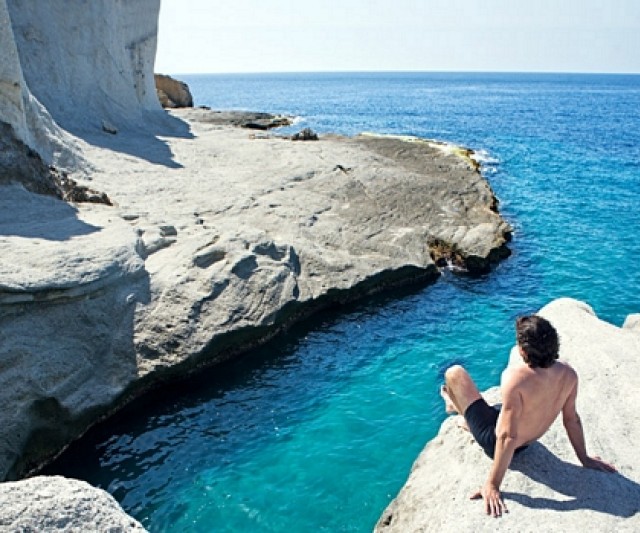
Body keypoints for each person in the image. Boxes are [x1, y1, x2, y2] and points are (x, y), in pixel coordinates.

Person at [441, 315, 616, 518]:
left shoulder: (515, 379)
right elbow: (571, 420)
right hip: (528, 441)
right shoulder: (569, 374)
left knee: (454, 373)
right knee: (497, 408)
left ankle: (458, 410)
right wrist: (584, 458)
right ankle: (462, 413)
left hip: (495, 442)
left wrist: (492, 484)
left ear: (523, 351)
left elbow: (506, 437)